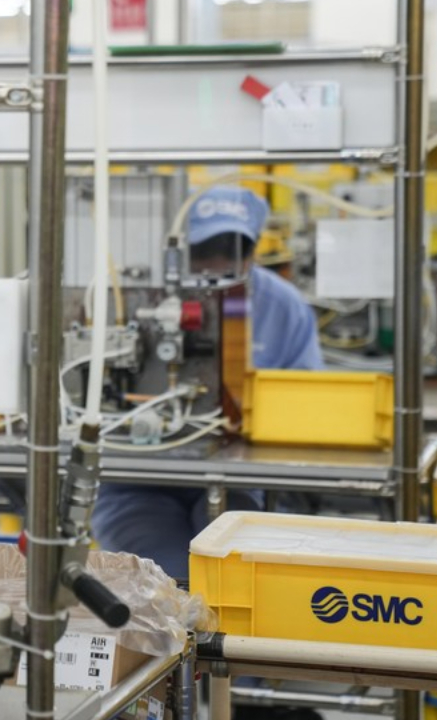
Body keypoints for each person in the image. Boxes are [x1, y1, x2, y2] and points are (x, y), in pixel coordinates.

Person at [91, 186, 323, 581]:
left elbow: (307, 407)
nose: (217, 264)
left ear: (252, 252)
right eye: (204, 251)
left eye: (232, 250)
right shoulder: (131, 298)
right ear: (179, 248)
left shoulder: (282, 307)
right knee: (167, 583)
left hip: (240, 480)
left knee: (237, 572)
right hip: (139, 484)